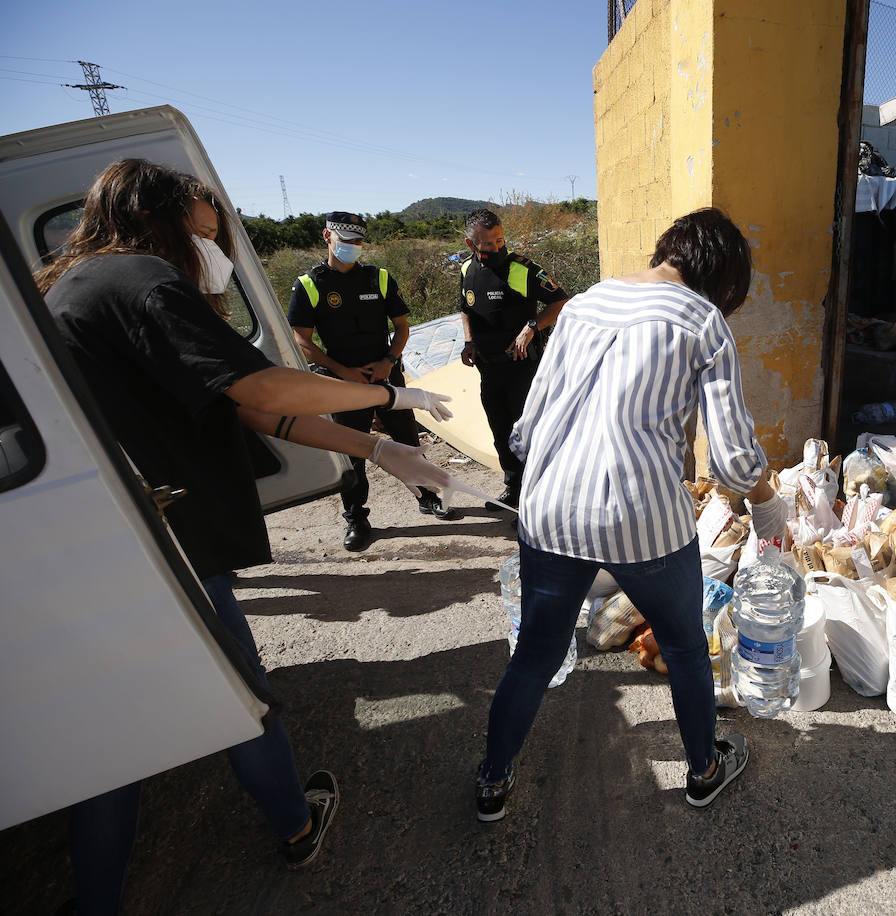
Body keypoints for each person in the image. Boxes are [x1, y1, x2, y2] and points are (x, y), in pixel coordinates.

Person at [35, 158, 457, 914]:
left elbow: (253, 412)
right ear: (159, 214)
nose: (217, 242)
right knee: (239, 695)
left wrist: (377, 447)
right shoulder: (140, 281)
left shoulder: (87, 282)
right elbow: (263, 386)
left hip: (119, 545)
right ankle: (296, 824)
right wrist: (391, 395)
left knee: (116, 741)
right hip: (167, 547)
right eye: (207, 225)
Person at [474, 208, 789, 823]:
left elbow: (527, 429)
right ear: (721, 278)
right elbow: (729, 461)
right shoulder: (703, 323)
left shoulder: (584, 303)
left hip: (548, 509)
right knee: (685, 647)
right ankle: (703, 770)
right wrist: (767, 500)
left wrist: (559, 482)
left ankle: (492, 780)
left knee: (535, 655)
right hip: (642, 516)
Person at [288, 211, 455, 552]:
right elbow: (301, 340)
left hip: (386, 378)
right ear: (327, 237)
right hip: (343, 385)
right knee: (352, 451)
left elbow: (403, 326)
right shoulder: (309, 283)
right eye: (345, 241)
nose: (352, 247)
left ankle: (428, 497)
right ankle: (356, 518)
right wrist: (341, 370)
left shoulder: (378, 278)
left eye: (358, 242)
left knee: (408, 439)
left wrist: (389, 361)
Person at [456, 208, 569, 511]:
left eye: (499, 240)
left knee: (530, 434)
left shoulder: (522, 269)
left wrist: (532, 327)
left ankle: (538, 499)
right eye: (487, 244)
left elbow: (561, 301)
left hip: (523, 369)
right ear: (471, 244)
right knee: (500, 432)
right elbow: (466, 308)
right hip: (488, 369)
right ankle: (514, 488)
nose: (495, 248)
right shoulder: (467, 269)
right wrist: (469, 341)